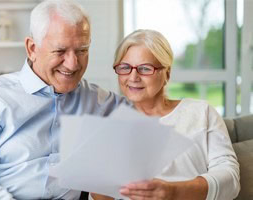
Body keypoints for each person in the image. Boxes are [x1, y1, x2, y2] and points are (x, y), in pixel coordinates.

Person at [0, 0, 129, 199]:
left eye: (82, 50)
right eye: (60, 51)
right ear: (32, 48)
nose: (72, 64)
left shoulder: (98, 100)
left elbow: (158, 112)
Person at [92, 29, 240, 200]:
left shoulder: (201, 112)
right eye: (125, 67)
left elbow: (231, 179)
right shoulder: (108, 124)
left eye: (145, 68)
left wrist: (173, 192)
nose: (133, 77)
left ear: (167, 73)